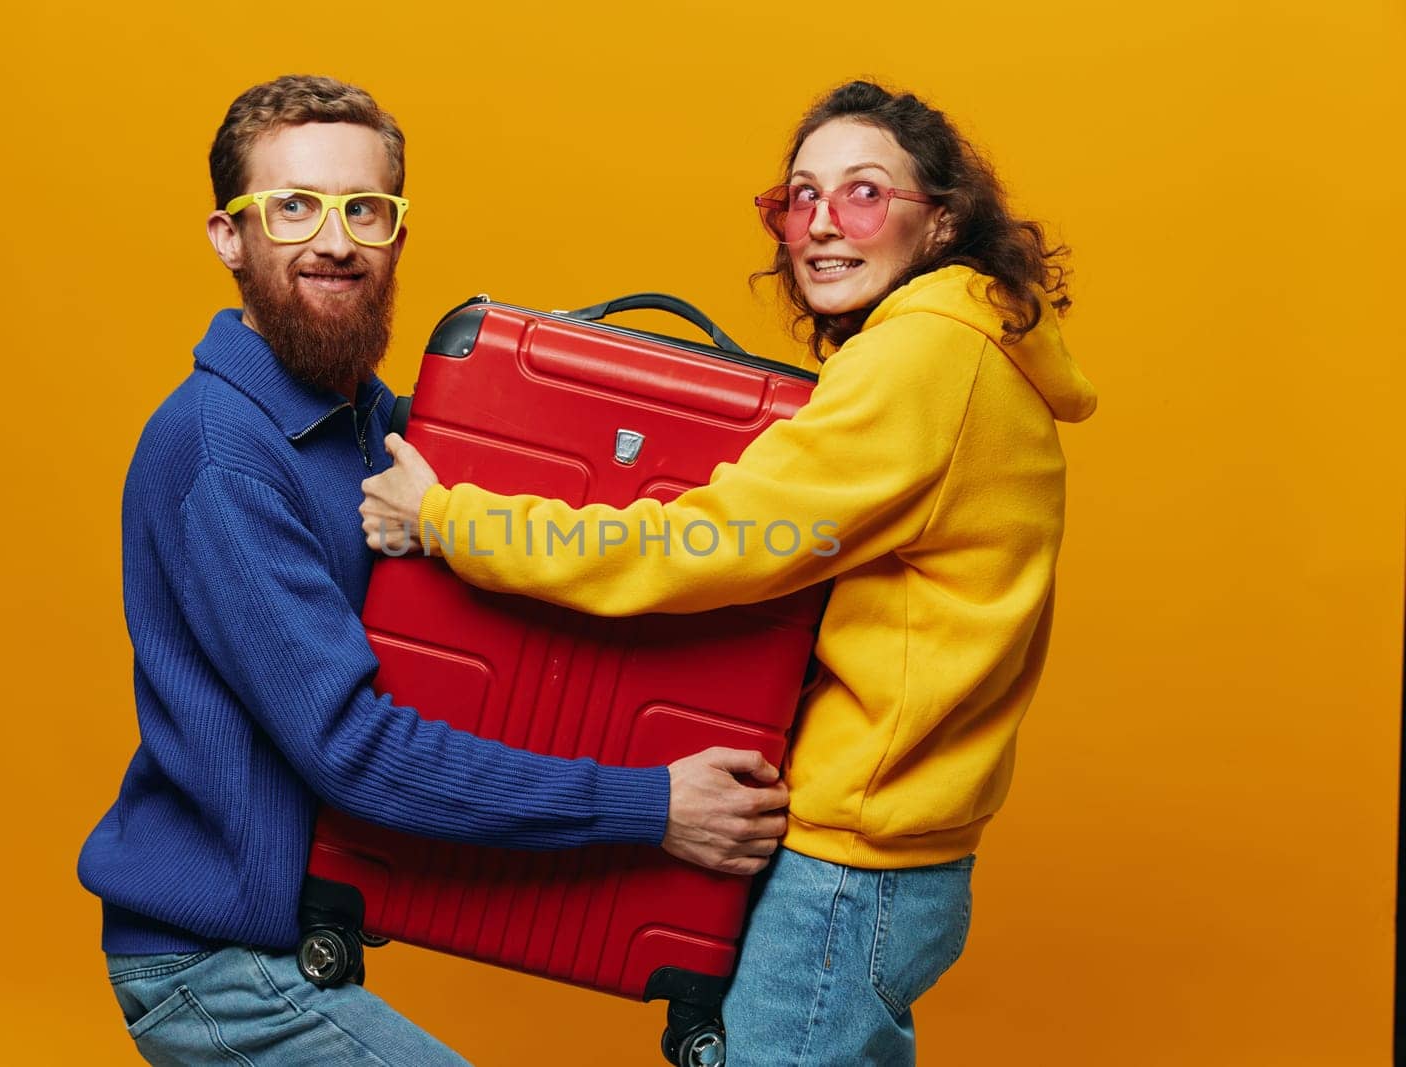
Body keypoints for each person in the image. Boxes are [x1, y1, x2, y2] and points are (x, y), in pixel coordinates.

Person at [359, 79, 1098, 1065]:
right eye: (801, 197)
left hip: (855, 861)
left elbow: (696, 545)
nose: (823, 225)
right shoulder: (968, 345)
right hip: (902, 847)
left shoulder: (923, 358)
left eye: (864, 192)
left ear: (944, 220)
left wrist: (450, 518)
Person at [76, 74, 789, 1067]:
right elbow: (352, 752)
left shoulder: (378, 433)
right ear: (228, 237)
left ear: (397, 235)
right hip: (214, 968)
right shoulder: (219, 448)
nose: (335, 240)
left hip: (289, 950)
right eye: (293, 208)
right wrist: (652, 804)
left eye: (364, 209)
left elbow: (567, 530)